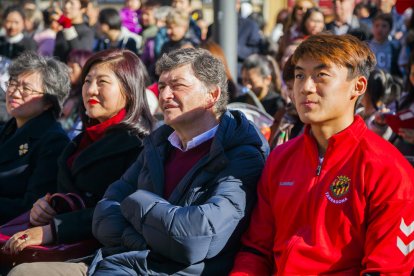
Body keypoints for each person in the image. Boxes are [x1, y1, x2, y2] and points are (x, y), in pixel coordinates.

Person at [10, 47, 268, 276]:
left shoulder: (240, 154)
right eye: (162, 85)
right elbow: (103, 217)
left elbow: (193, 238)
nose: (165, 94)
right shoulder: (158, 144)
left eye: (177, 85)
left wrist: (137, 203)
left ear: (211, 95)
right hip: (123, 261)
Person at [230, 33, 414, 275]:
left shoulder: (389, 169)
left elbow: (386, 269)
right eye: (299, 75)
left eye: (321, 75)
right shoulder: (279, 158)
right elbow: (256, 249)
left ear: (358, 86)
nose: (306, 87)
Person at [4, 49, 154, 271]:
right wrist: (43, 207)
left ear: (129, 90)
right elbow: (61, 196)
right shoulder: (81, 140)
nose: (91, 89)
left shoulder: (139, 145)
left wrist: (54, 229)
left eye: (102, 82)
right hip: (66, 244)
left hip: (103, 253)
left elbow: (122, 209)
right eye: (87, 81)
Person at [0, 51, 69, 225]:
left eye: (26, 89)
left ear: (48, 102)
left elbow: (31, 206)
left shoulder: (53, 142)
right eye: (13, 84)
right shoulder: (7, 129)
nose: (15, 93)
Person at [368, 13, 402, 77]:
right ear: (372, 28)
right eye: (377, 25)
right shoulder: (366, 47)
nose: (380, 29)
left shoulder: (395, 47)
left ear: (390, 29)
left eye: (384, 26)